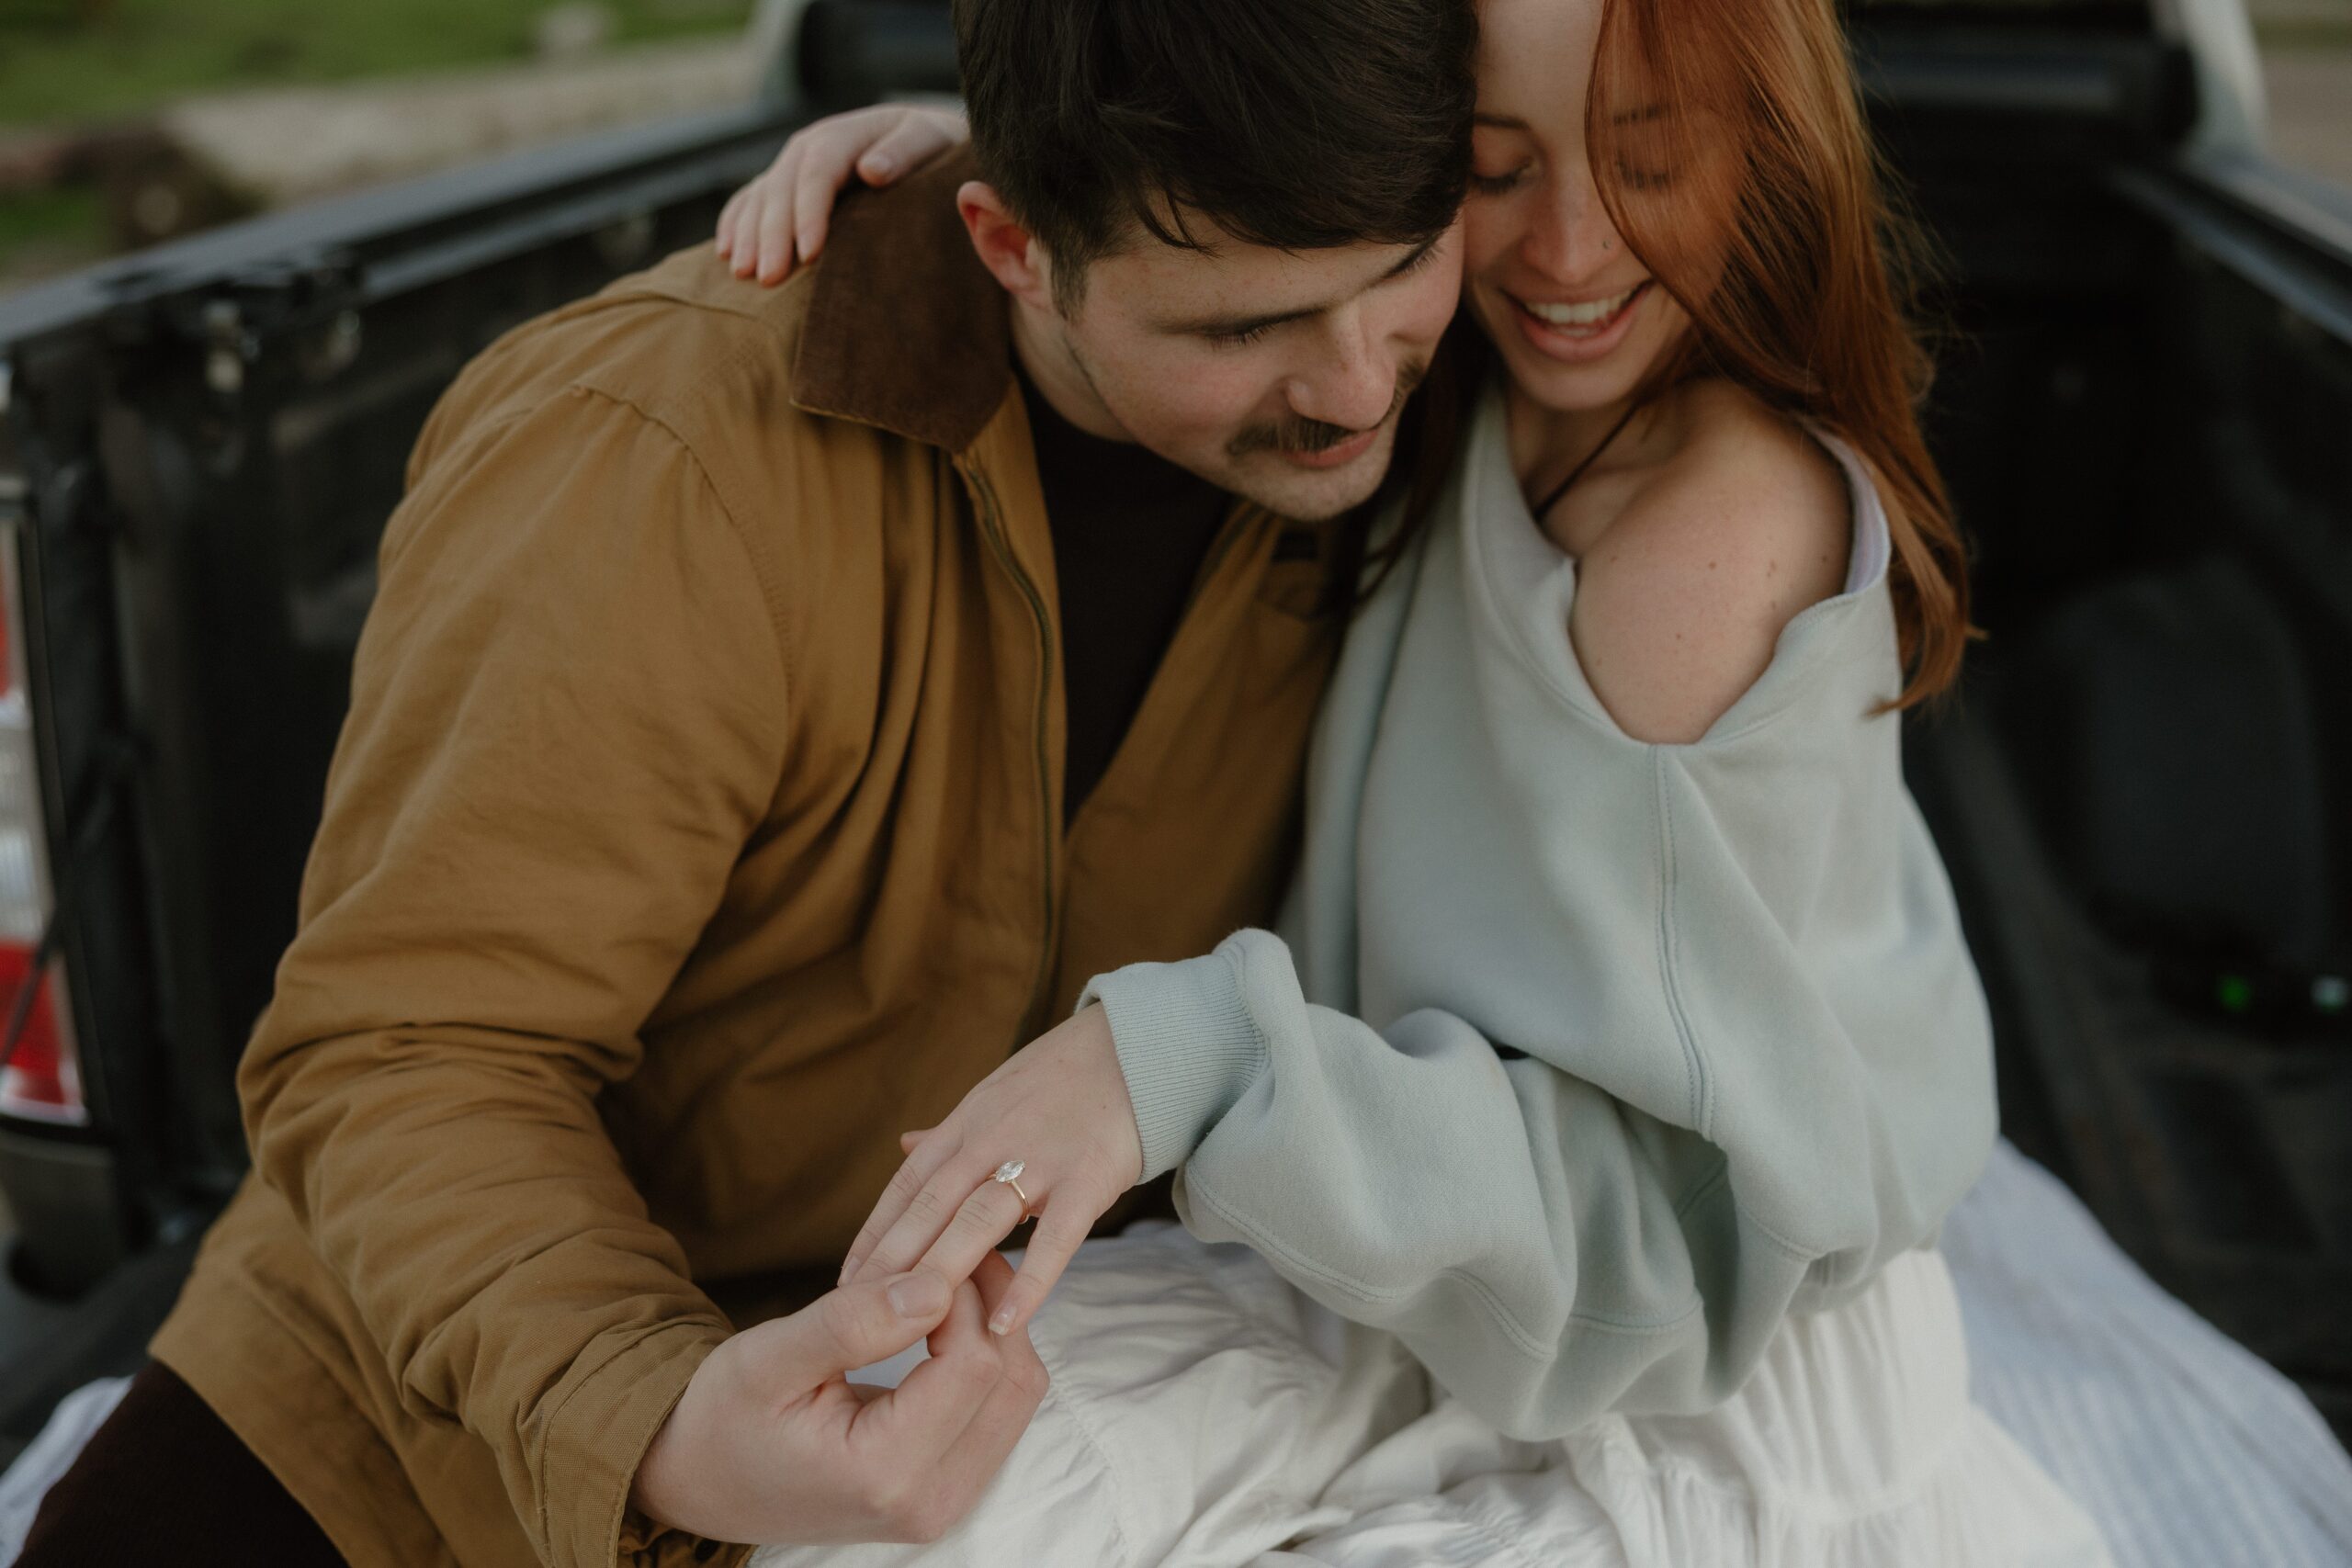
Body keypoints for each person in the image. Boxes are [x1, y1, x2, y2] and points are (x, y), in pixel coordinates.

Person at [12, 2, 1477, 1564]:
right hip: (409, 1435)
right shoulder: (657, 454)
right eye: (1239, 332)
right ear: (1006, 243)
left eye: (1403, 271)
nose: (1356, 389)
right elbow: (412, 1049)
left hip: (1027, 1447)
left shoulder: (1458, 377)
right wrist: (647, 1413)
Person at [707, 0, 2120, 1560]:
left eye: (1651, 161)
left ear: (1772, 147)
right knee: (880, 1503)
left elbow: (1662, 1246)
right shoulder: (1440, 368)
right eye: (1490, 169)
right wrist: (1016, 186)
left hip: (1676, 1381)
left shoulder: (1701, 552)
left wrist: (1187, 1064)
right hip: (1402, 1271)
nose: (1570, 251)